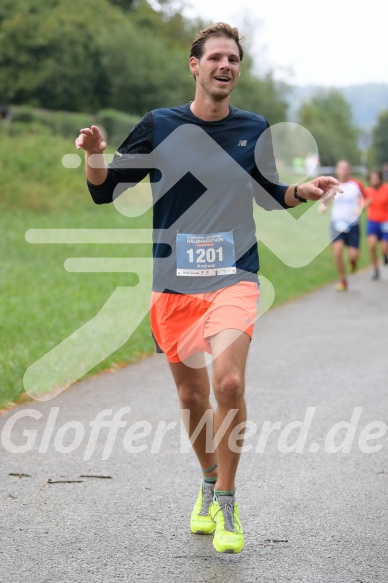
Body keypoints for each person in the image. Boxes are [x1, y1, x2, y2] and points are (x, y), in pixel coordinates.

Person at [75, 22, 340, 554]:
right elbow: (107, 191)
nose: (225, 66)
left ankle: (227, 499)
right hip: (173, 283)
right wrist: (96, 154)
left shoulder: (252, 127)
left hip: (234, 276)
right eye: (216, 57)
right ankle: (206, 477)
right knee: (190, 396)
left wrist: (304, 190)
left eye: (234, 59)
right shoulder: (160, 126)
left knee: (231, 384)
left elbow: (270, 194)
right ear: (194, 65)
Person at [320, 160, 364, 291]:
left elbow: (365, 199)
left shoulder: (356, 184)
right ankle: (343, 281)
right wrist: (323, 207)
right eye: (341, 168)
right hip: (337, 224)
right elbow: (325, 199)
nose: (343, 170)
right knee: (338, 252)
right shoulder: (332, 185)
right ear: (337, 170)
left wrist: (360, 207)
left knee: (353, 256)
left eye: (346, 168)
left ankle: (353, 264)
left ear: (349, 170)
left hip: (353, 225)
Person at [364, 169, 388, 279]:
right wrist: (364, 205)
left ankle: (384, 255)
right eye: (372, 178)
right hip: (372, 221)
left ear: (380, 178)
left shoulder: (386, 188)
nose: (374, 180)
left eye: (376, 178)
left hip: (385, 221)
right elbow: (362, 205)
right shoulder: (367, 191)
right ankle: (376, 270)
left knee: (384, 247)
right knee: (372, 245)